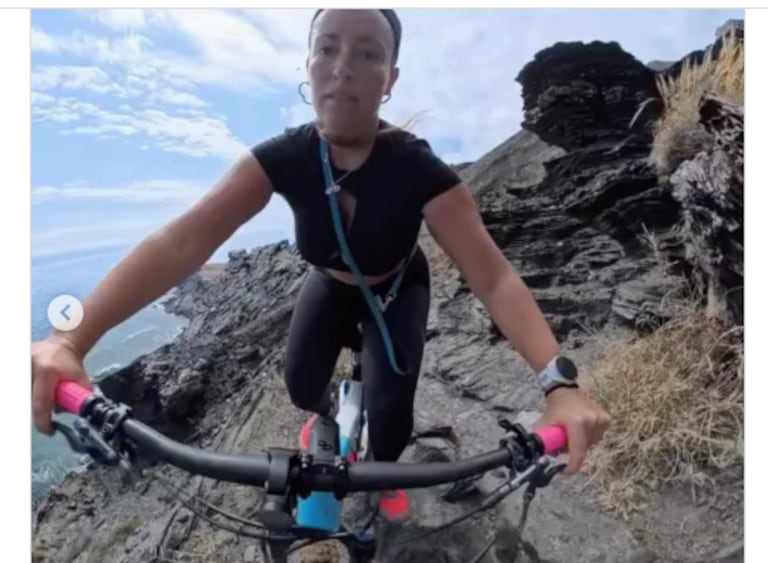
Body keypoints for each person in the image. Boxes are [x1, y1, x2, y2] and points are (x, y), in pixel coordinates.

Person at [31, 9, 611, 522]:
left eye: (368, 53)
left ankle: (380, 476)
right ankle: (331, 416)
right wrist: (71, 338)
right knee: (302, 385)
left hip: (396, 291)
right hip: (328, 285)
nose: (343, 66)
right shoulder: (281, 157)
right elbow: (181, 243)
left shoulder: (421, 169)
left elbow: (493, 276)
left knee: (390, 423)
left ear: (390, 79)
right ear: (307, 64)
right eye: (327, 47)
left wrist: (559, 386)